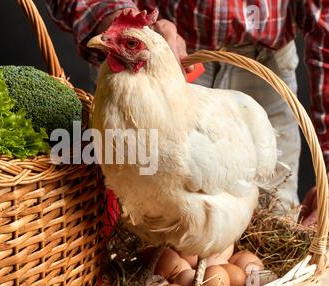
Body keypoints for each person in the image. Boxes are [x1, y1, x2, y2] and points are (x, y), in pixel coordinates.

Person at [46, 0, 329, 226]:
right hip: (164, 57)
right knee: (135, 218)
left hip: (266, 66)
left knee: (276, 223)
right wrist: (118, 22)